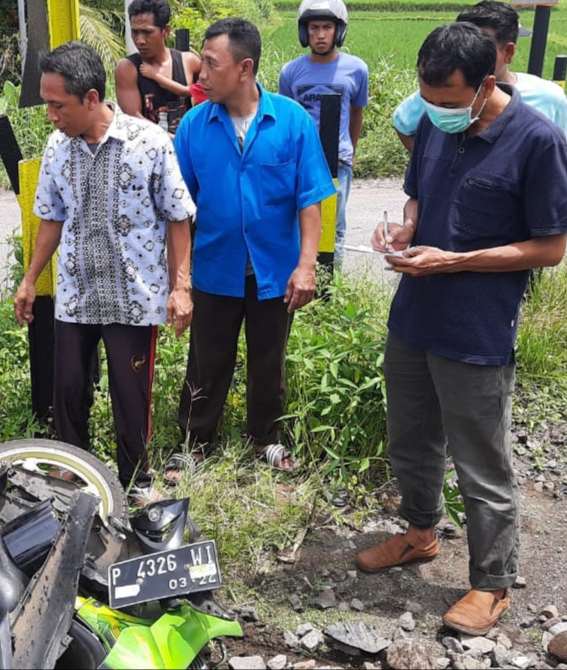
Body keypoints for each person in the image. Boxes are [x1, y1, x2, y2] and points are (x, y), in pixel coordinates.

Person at [354, 23, 567, 636]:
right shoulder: (432, 123)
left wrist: (455, 260)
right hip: (415, 315)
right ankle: (420, 533)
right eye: (429, 97)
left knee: (482, 462)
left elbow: (550, 248)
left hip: (477, 329)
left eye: (450, 101)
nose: (438, 111)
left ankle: (491, 583)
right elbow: (419, 200)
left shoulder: (535, 141)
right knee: (411, 437)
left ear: (485, 86)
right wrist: (404, 228)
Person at [15, 42, 195, 505]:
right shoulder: (57, 147)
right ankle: (72, 477)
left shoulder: (151, 143)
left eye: (58, 105)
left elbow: (178, 216)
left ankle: (136, 482)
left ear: (91, 98)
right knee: (69, 389)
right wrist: (30, 279)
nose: (51, 115)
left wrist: (181, 287)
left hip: (133, 299)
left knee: (130, 397)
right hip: (77, 294)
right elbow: (50, 217)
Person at [170, 18, 335, 477]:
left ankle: (266, 437)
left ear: (245, 68)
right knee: (206, 360)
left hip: (273, 271)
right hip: (214, 268)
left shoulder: (292, 121)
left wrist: (306, 266)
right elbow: (179, 211)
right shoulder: (194, 127)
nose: (200, 74)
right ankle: (195, 441)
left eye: (210, 64)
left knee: (269, 359)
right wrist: (180, 282)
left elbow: (309, 200)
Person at [392, 1, 567, 152]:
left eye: (484, 45)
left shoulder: (549, 98)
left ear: (508, 52)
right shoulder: (439, 96)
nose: (470, 54)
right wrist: (426, 165)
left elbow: (556, 155)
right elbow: (402, 123)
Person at [278, 0, 369, 267]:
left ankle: (329, 288)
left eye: (327, 27)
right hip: (300, 159)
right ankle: (299, 278)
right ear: (304, 31)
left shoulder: (357, 69)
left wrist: (351, 151)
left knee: (333, 226)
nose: (320, 34)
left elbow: (356, 112)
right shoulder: (290, 72)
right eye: (314, 27)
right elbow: (287, 118)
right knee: (298, 222)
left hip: (337, 160)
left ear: (338, 31)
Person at [114, 0, 201, 133]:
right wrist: (176, 140)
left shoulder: (189, 62)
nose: (139, 40)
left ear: (165, 31)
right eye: (135, 32)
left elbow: (211, 100)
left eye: (147, 32)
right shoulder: (127, 69)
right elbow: (133, 119)